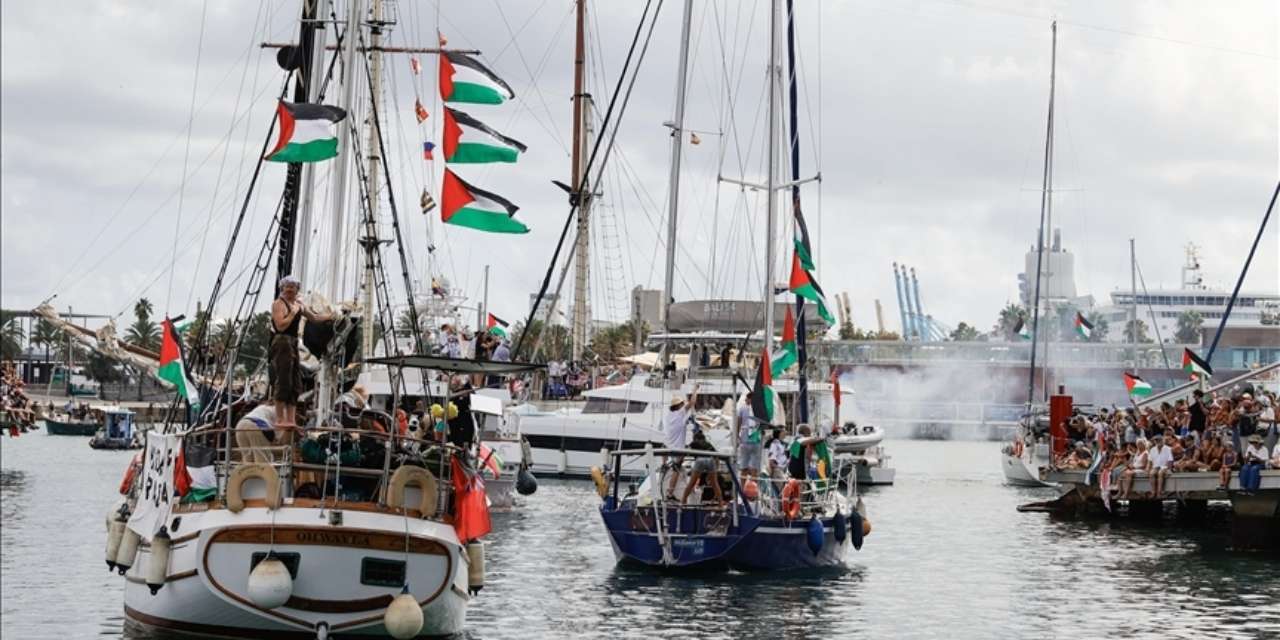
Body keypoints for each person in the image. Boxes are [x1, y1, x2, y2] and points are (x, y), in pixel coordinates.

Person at [271, 275, 329, 428]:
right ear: (282, 288)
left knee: (295, 383)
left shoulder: (299, 305)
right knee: (284, 380)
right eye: (287, 287)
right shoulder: (279, 304)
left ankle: (290, 419)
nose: (290, 289)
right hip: (282, 340)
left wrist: (331, 316)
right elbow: (280, 326)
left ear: (297, 289)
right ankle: (279, 419)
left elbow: (314, 317)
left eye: (293, 287)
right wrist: (292, 313)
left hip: (293, 342)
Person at [663, 384, 700, 498]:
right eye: (682, 404)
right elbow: (692, 402)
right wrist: (695, 390)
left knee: (676, 467)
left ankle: (664, 467)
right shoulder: (680, 413)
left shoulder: (669, 415)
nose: (683, 405)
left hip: (670, 446)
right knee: (676, 468)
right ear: (679, 406)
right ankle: (670, 493)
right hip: (678, 448)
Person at [680, 430, 724, 506]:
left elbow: (685, 451)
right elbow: (717, 457)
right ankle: (721, 504)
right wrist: (716, 469)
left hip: (700, 460)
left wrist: (680, 461)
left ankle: (683, 501)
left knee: (691, 483)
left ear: (695, 438)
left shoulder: (694, 443)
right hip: (711, 460)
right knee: (715, 484)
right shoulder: (708, 444)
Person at [735, 396, 761, 486]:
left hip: (744, 440)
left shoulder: (742, 408)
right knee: (754, 468)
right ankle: (754, 490)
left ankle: (742, 489)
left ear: (750, 399)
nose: (745, 400)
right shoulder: (759, 409)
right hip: (756, 439)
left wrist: (737, 436)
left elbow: (738, 422)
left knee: (743, 466)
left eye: (747, 398)